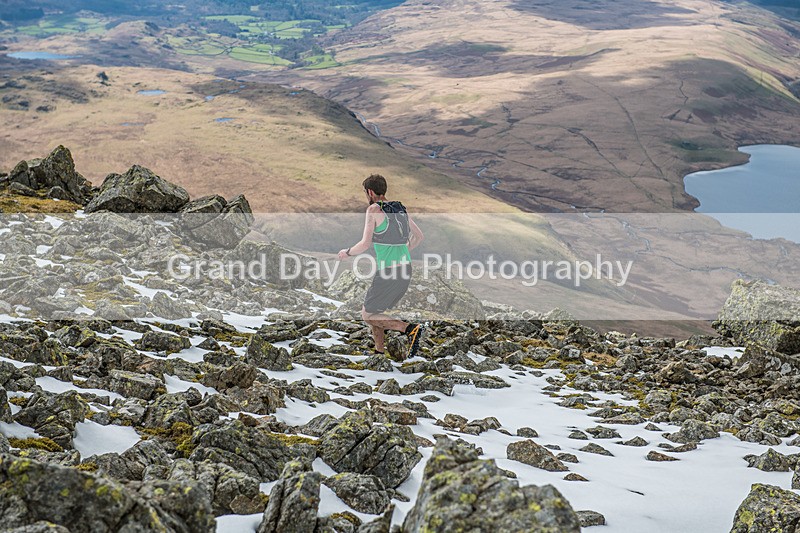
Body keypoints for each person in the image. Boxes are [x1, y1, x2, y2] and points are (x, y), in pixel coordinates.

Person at [337, 174, 425, 358]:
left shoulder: (374, 210)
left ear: (370, 192)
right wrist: (403, 251)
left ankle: (410, 329)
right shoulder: (399, 209)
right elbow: (419, 236)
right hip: (405, 268)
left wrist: (347, 252)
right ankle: (379, 352)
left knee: (367, 315)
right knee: (374, 311)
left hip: (389, 271)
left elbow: (365, 244)